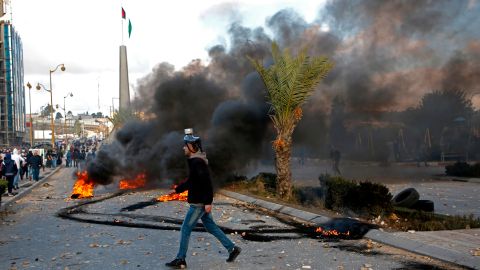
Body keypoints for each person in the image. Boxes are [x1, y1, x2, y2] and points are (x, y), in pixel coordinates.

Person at [165, 129, 241, 268]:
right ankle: (232, 248)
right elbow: (191, 181)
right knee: (211, 227)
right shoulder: (195, 161)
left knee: (185, 229)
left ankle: (181, 259)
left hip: (199, 203)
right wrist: (176, 190)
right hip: (200, 201)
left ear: (192, 147)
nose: (183, 148)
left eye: (185, 145)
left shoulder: (197, 162)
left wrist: (208, 202)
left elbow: (207, 182)